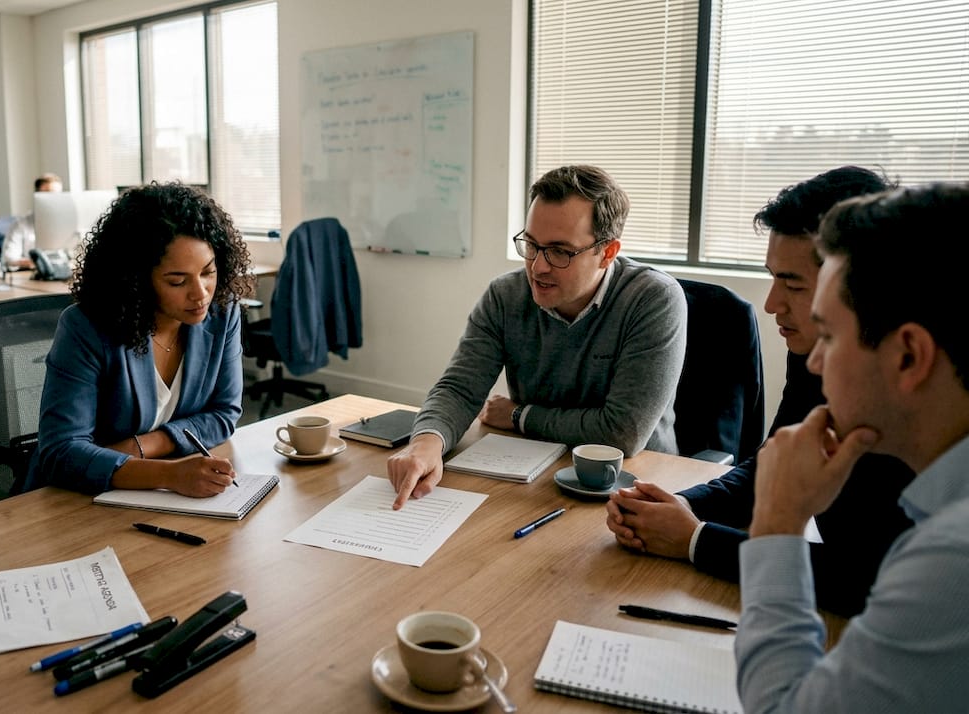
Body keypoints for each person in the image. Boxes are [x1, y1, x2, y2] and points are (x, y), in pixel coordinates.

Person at [604, 166, 913, 616]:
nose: (770, 305)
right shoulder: (813, 349)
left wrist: (695, 539)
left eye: (793, 284)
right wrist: (670, 510)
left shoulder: (916, 401)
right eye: (772, 277)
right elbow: (770, 465)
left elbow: (870, 579)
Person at [733, 183, 969, 712]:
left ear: (908, 357)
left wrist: (777, 525)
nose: (816, 363)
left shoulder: (954, 560)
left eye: (830, 337)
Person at [387, 165, 687, 509]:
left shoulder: (653, 299)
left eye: (560, 251)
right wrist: (427, 441)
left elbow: (621, 433)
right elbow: (459, 388)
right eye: (531, 244)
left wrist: (518, 416)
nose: (537, 267)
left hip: (635, 490)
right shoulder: (505, 295)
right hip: (531, 475)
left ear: (607, 252)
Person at [26, 182, 251, 496]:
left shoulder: (222, 314)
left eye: (208, 272)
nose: (200, 293)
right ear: (137, 281)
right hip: (76, 499)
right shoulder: (86, 328)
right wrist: (168, 475)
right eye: (177, 280)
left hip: (163, 498)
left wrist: (145, 446)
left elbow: (223, 413)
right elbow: (61, 453)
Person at [1, 173, 64, 269]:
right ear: (37, 196)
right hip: (30, 276)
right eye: (48, 194)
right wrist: (40, 263)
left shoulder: (65, 224)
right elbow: (9, 258)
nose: (53, 199)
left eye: (57, 195)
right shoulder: (21, 225)